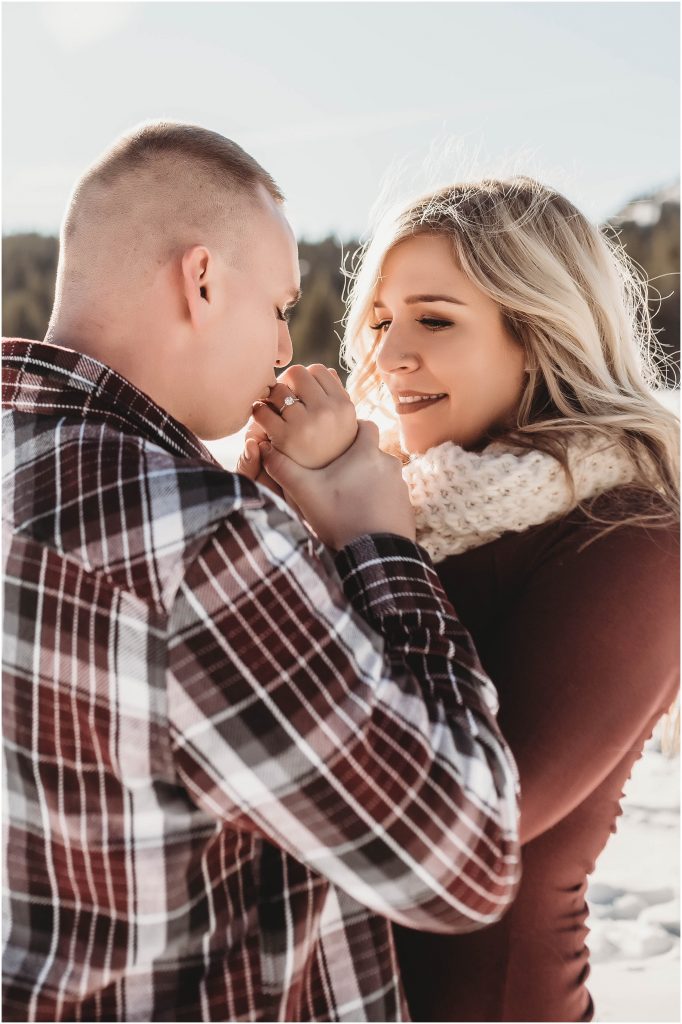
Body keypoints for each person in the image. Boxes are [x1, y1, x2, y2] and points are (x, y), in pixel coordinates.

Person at [1, 123, 521, 1023]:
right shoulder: (198, 540)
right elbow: (463, 861)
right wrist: (378, 543)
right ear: (202, 281)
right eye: (279, 307)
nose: (285, 348)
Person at [247, 177, 679, 1023]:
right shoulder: (381, 498)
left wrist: (371, 536)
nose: (388, 355)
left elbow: (479, 823)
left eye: (434, 320)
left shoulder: (633, 535)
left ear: (541, 334)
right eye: (379, 322)